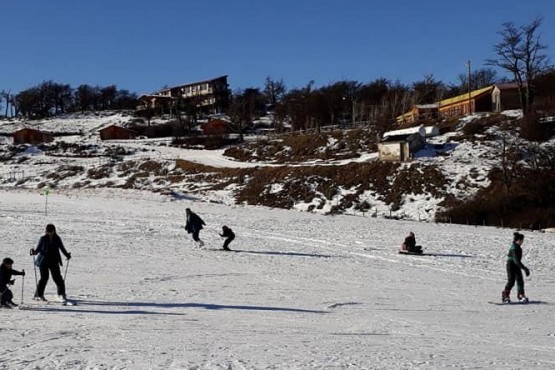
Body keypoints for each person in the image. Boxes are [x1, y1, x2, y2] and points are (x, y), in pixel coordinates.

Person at [30, 224, 71, 302]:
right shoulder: (43, 238)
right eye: (48, 232)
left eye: (51, 232)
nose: (49, 233)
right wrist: (34, 252)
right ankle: (39, 295)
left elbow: (62, 248)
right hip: (43, 261)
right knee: (44, 278)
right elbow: (38, 249)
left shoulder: (57, 239)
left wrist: (67, 255)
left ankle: (61, 294)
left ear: (54, 231)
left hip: (54, 260)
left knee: (58, 278)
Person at [502, 232, 530, 303]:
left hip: (516, 264)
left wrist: (523, 268)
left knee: (520, 280)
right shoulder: (514, 248)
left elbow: (517, 261)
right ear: (518, 240)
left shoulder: (518, 247)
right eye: (522, 240)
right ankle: (505, 295)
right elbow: (516, 260)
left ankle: (521, 295)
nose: (523, 242)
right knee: (511, 281)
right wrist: (524, 268)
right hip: (511, 264)